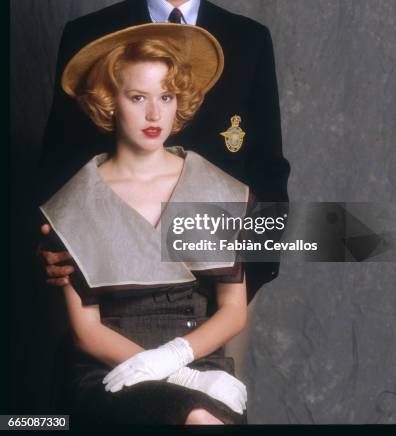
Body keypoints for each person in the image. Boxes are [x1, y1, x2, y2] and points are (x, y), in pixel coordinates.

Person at [38, 0, 290, 302]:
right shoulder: (89, 36)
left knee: (215, 371)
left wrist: (254, 270)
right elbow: (60, 158)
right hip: (112, 279)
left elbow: (267, 164)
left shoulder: (249, 40)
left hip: (220, 282)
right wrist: (52, 243)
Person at [40, 22, 249, 425]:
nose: (155, 113)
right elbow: (87, 333)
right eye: (138, 97)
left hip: (200, 361)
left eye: (166, 96)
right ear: (109, 101)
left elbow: (233, 310)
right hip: (111, 369)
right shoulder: (76, 201)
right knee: (198, 418)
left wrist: (181, 362)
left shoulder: (210, 186)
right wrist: (180, 377)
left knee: (209, 417)